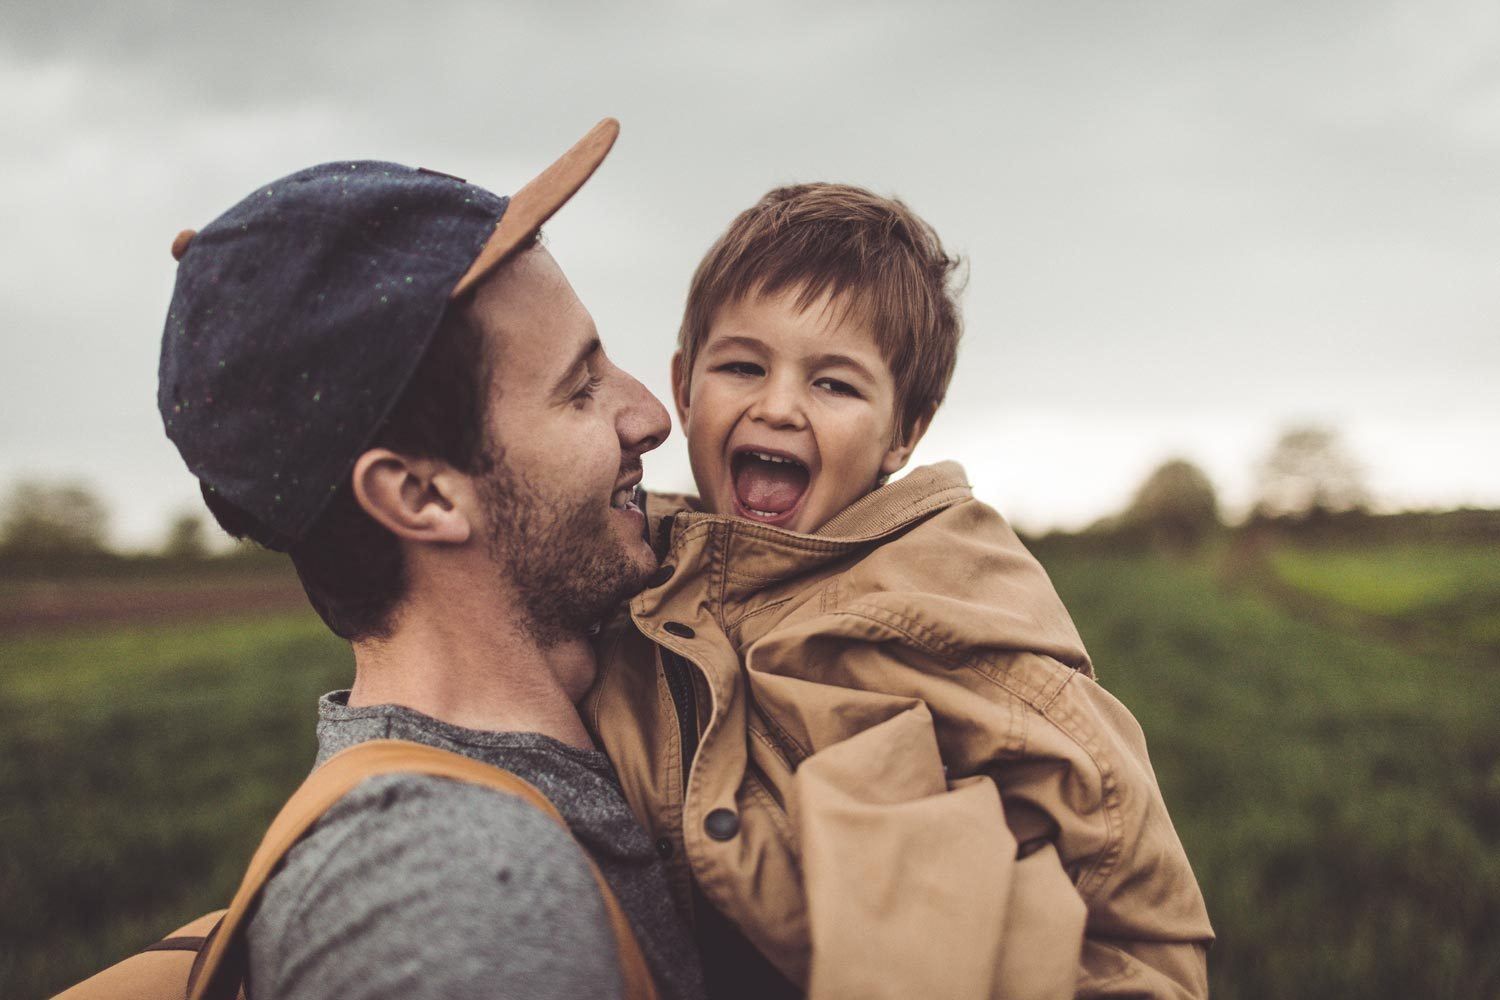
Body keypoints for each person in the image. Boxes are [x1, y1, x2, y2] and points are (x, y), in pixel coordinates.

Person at [584, 183, 1215, 999]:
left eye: (834, 385)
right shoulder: (632, 585)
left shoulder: (948, 615)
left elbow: (1131, 896)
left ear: (905, 430)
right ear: (684, 386)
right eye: (742, 366)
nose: (777, 406)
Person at [158, 119, 704, 999]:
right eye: (581, 386)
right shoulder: (454, 894)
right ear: (421, 496)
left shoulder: (625, 750)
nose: (650, 415)